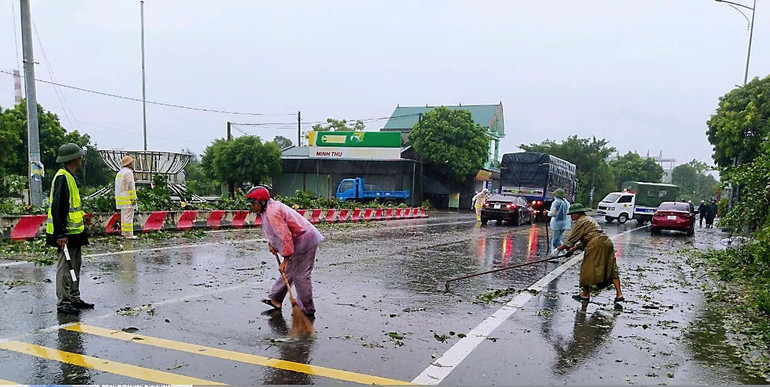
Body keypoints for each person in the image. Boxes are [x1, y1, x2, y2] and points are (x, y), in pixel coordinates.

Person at [248, 186, 324, 317]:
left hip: (304, 239)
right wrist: (272, 243)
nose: (252, 207)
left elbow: (285, 236)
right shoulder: (268, 210)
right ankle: (276, 298)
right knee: (288, 272)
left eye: (253, 204)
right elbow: (274, 231)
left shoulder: (272, 212)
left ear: (262, 202)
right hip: (296, 240)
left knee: (301, 275)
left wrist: (286, 258)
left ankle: (306, 308)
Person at [46, 143, 94, 315]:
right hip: (64, 233)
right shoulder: (62, 177)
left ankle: (74, 297)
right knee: (65, 269)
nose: (81, 158)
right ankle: (63, 302)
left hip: (75, 233)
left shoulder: (71, 176)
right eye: (79, 156)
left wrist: (81, 216)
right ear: (72, 159)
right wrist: (60, 233)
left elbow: (70, 206)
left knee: (75, 267)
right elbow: (58, 207)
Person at [552, 203, 624, 303]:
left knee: (587, 268)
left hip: (595, 243)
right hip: (606, 242)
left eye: (572, 214)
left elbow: (571, 240)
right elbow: (584, 239)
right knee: (611, 267)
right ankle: (619, 294)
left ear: (578, 213)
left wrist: (558, 250)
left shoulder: (581, 221)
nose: (571, 216)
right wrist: (572, 250)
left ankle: (585, 294)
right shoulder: (589, 219)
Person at [115, 155, 138, 239]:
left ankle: (124, 233)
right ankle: (129, 235)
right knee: (128, 217)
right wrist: (133, 198)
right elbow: (130, 186)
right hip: (127, 198)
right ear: (129, 163)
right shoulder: (128, 172)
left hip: (120, 199)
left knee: (124, 217)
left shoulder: (120, 173)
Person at [547, 188, 571, 253]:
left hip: (557, 224)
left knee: (555, 241)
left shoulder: (557, 202)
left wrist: (547, 213)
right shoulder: (565, 202)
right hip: (563, 223)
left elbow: (554, 213)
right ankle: (564, 253)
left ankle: (556, 254)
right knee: (559, 239)